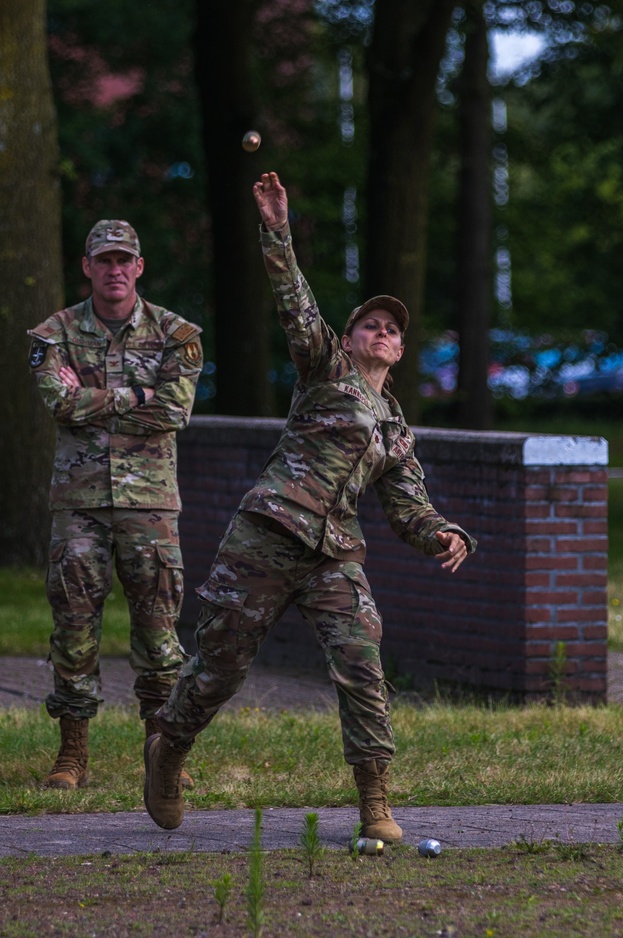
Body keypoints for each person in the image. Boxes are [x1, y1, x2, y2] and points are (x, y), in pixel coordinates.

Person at [142, 171, 476, 839]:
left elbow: (408, 504)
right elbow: (294, 301)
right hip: (267, 534)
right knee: (220, 666)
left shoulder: (396, 426)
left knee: (361, 664)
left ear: (401, 351)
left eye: (392, 330)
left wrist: (442, 532)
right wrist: (276, 229)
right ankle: (169, 748)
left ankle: (375, 802)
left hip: (333, 556)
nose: (381, 332)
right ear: (350, 339)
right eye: (370, 324)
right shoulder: (326, 367)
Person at [28, 219, 204, 790]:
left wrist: (92, 398)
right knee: (74, 625)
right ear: (87, 267)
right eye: (104, 260)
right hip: (78, 504)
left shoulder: (176, 333)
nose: (114, 270)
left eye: (124, 260)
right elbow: (58, 402)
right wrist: (136, 394)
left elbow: (175, 413)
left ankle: (163, 756)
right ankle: (72, 754)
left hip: (150, 503)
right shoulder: (52, 334)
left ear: (139, 267)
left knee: (159, 632)